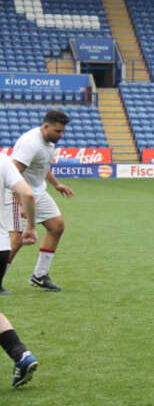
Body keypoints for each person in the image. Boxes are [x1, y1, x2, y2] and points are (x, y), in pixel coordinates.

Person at [3, 110, 74, 292]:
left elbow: (43, 165)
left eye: (62, 131)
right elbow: (13, 173)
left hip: (38, 192)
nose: (61, 135)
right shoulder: (30, 143)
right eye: (58, 131)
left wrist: (56, 184)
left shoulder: (49, 141)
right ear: (46, 126)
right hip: (18, 192)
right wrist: (21, 202)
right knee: (16, 240)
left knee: (57, 226)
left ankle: (40, 276)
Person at [0, 152, 41, 387]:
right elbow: (27, 193)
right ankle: (21, 355)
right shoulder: (3, 160)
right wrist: (31, 227)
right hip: (1, 248)